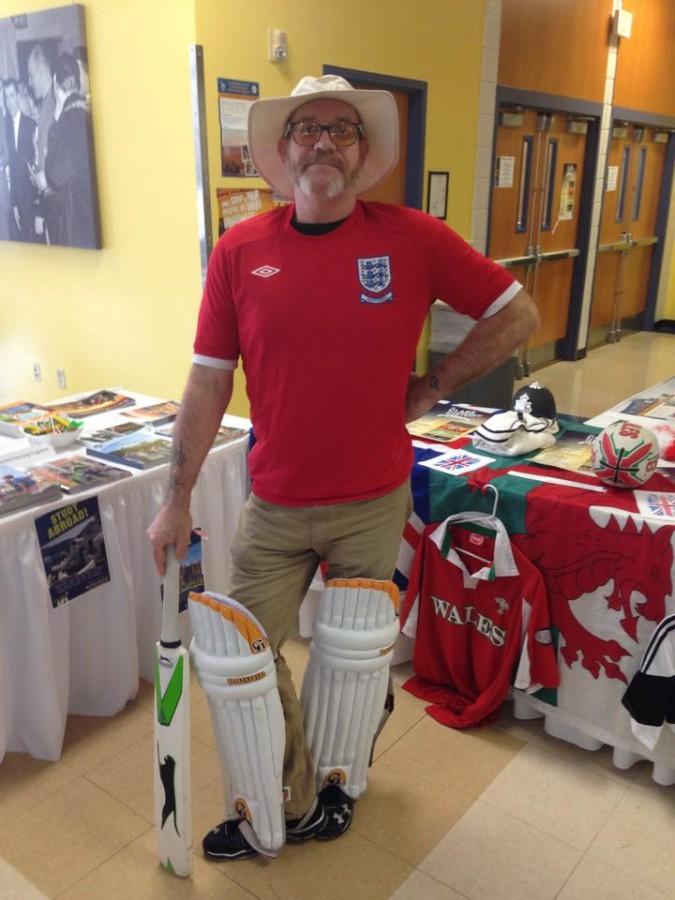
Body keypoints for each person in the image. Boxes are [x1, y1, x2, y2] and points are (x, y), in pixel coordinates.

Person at [148, 75, 539, 862]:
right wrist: (175, 498)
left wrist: (433, 385)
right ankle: (281, 792)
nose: (322, 141)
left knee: (352, 662)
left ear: (361, 153)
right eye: (304, 128)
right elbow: (206, 378)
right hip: (276, 499)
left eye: (341, 129)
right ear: (283, 151)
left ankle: (334, 785)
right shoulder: (240, 250)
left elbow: (516, 314)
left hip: (372, 497)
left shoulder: (413, 238)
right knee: (235, 654)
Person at [41, 53, 98, 248]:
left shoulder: (63, 124)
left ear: (56, 84)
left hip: (78, 230)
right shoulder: (89, 115)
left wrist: (55, 122)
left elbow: (54, 175)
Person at [27, 43, 56, 240]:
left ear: (40, 72)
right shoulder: (46, 103)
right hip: (47, 197)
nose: (29, 83)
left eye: (30, 76)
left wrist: (41, 210)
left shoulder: (55, 102)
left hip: (54, 201)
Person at [3, 77, 37, 242]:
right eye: (6, 97)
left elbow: (34, 165)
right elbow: (14, 170)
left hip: (32, 200)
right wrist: (15, 204)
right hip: (18, 203)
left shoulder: (31, 125)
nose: (9, 102)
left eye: (11, 96)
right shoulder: (6, 130)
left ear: (17, 96)